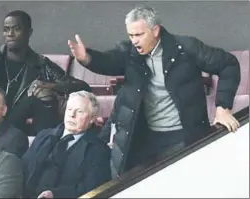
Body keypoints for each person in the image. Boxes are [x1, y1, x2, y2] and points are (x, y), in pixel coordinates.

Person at [68, 6, 241, 176]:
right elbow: (109, 61)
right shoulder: (129, 52)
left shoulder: (186, 47)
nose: (134, 40)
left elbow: (228, 65)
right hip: (144, 136)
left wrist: (223, 107)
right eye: (130, 35)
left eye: (139, 35)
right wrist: (87, 58)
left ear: (155, 30)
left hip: (182, 136)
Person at [0, 10, 91, 136]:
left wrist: (50, 86)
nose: (10, 34)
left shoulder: (41, 64)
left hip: (11, 129)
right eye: (6, 30)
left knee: (45, 98)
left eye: (16, 29)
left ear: (29, 32)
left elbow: (81, 87)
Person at [22, 91, 111, 198]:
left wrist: (55, 195)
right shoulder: (43, 136)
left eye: (79, 112)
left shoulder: (99, 151)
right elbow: (23, 169)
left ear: (92, 118)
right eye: (69, 109)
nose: (71, 115)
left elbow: (92, 188)